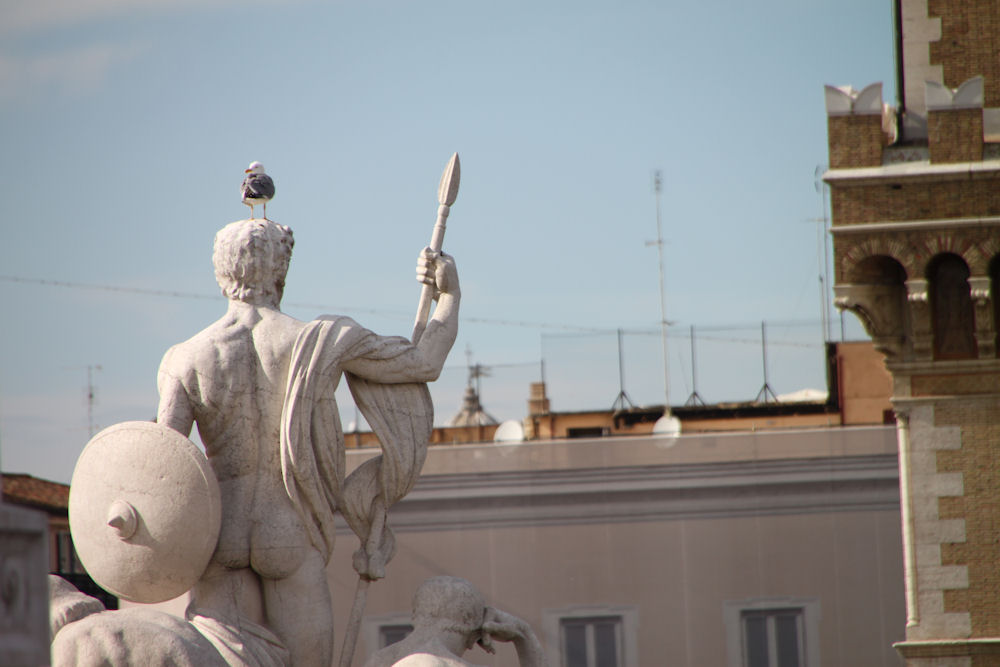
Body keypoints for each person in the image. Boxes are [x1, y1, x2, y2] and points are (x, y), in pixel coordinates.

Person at [156, 218, 460, 667]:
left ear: (220, 274)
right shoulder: (321, 339)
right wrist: (450, 294)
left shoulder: (185, 358)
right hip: (289, 531)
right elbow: (423, 363)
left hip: (220, 535)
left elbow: (161, 464)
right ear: (280, 271)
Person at [364, 576, 547, 667]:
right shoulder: (425, 662)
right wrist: (524, 635)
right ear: (472, 624)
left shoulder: (378, 660)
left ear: (416, 614)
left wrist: (524, 634)